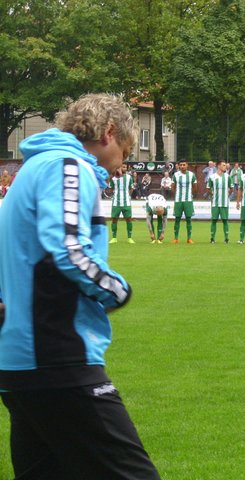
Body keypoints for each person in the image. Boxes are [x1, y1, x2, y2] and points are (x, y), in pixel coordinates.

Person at [0, 93, 160, 479]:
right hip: (58, 355)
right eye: (125, 147)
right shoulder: (68, 166)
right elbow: (68, 248)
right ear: (108, 133)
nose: (123, 161)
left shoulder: (34, 169)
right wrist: (117, 290)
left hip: (18, 359)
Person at [108, 163, 135, 244]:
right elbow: (111, 189)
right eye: (122, 167)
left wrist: (128, 196)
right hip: (116, 202)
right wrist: (115, 195)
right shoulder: (114, 178)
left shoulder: (129, 177)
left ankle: (129, 238)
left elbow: (131, 188)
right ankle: (114, 238)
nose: (124, 168)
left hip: (126, 202)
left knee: (129, 219)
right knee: (114, 220)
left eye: (125, 167)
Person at [172, 158, 197, 244]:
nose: (182, 166)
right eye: (181, 165)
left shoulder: (191, 175)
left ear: (187, 165)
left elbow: (194, 187)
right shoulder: (175, 175)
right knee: (177, 219)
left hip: (188, 201)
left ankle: (189, 238)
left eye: (184, 165)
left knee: (189, 219)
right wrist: (178, 194)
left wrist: (190, 194)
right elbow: (173, 186)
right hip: (178, 200)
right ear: (178, 166)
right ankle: (175, 238)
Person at [207, 160, 232, 244]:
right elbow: (208, 188)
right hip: (215, 203)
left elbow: (231, 188)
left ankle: (226, 238)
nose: (225, 166)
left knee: (225, 220)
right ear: (218, 166)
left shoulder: (228, 177)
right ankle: (212, 238)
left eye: (225, 165)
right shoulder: (212, 177)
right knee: (214, 220)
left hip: (224, 203)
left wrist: (227, 194)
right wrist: (213, 194)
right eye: (223, 165)